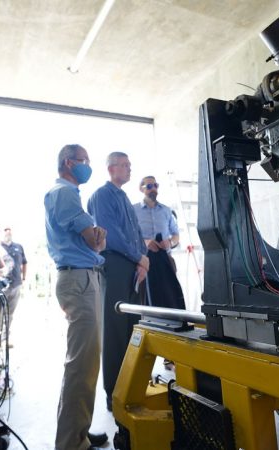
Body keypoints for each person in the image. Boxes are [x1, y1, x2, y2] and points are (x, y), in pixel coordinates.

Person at [45, 144, 109, 450]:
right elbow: (95, 241)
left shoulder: (66, 194)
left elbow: (95, 239)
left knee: (84, 364)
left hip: (82, 278)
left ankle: (77, 432)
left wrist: (96, 235)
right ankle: (71, 443)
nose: (88, 166)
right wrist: (97, 233)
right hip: (79, 279)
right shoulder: (66, 193)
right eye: (84, 161)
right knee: (81, 365)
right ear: (69, 162)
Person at [87, 151, 149, 411]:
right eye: (125, 165)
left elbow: (135, 232)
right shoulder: (102, 196)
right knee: (114, 331)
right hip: (116, 266)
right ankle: (114, 393)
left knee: (134, 328)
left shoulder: (124, 196)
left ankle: (132, 386)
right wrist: (139, 257)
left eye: (130, 165)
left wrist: (143, 258)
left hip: (135, 267)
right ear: (111, 168)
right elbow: (110, 235)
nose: (129, 169)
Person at [134, 176, 186, 310]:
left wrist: (170, 242)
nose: (154, 189)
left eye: (155, 185)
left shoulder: (166, 210)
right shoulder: (133, 210)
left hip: (165, 261)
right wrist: (145, 242)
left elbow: (176, 234)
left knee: (171, 299)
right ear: (141, 189)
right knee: (146, 302)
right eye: (149, 186)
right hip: (144, 262)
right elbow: (129, 236)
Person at [0, 227, 27, 337]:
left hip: (16, 283)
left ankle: (5, 336)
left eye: (10, 231)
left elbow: (25, 262)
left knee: (10, 312)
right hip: (2, 285)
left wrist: (24, 277)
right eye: (5, 231)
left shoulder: (18, 246)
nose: (8, 233)